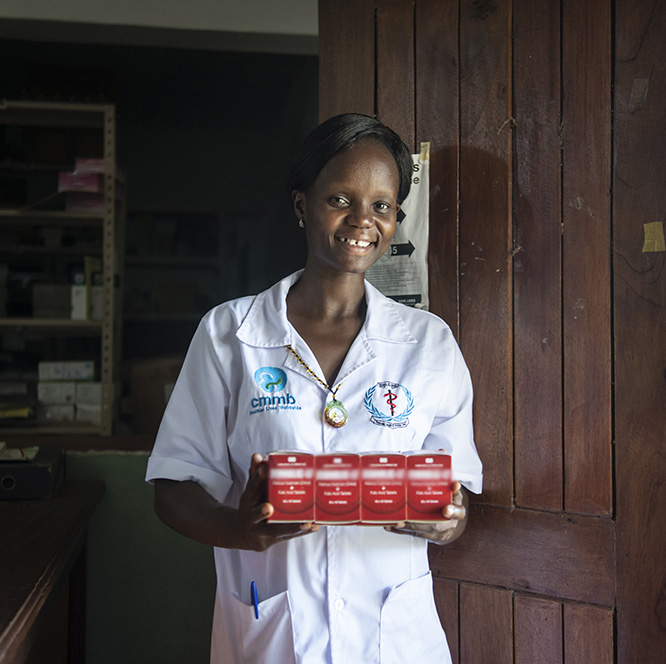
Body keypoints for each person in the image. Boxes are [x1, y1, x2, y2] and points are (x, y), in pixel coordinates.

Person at [146, 113, 483, 664]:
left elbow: (456, 494)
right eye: (340, 199)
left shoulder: (428, 343)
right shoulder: (230, 333)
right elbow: (172, 486)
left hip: (394, 638)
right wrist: (237, 528)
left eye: (381, 205)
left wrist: (445, 522)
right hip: (275, 633)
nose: (363, 220)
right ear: (302, 204)